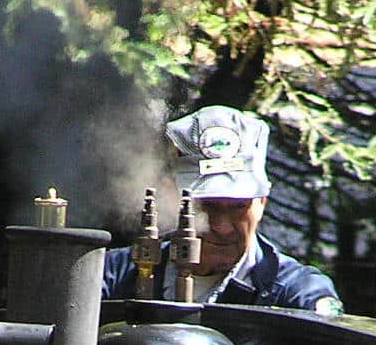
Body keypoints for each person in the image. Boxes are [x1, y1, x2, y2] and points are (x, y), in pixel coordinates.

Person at [102, 106, 342, 314]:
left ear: (262, 203)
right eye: (206, 206)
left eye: (239, 207)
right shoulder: (115, 274)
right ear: (169, 199)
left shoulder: (297, 293)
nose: (222, 226)